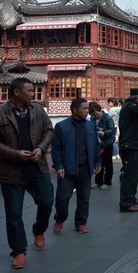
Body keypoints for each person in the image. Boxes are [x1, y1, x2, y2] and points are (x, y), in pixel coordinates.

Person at [0, 78, 54, 270]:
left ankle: (39, 229)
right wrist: (16, 154)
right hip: (11, 171)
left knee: (47, 202)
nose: (33, 94)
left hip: (37, 166)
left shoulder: (38, 109)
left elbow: (49, 130)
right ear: (16, 92)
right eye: (30, 91)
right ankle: (18, 251)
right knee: (14, 213)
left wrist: (40, 148)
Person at [51, 98, 101, 235]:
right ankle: (60, 219)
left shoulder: (90, 125)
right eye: (84, 109)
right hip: (67, 169)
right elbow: (56, 148)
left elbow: (96, 145)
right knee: (63, 197)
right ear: (74, 110)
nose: (87, 111)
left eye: (87, 108)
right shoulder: (62, 126)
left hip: (86, 168)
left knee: (84, 198)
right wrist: (59, 166)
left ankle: (81, 222)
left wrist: (97, 162)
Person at [89, 102, 116, 190]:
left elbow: (112, 130)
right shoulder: (92, 119)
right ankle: (98, 182)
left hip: (107, 143)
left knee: (107, 164)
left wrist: (103, 133)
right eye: (94, 115)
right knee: (98, 162)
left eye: (96, 114)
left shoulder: (107, 118)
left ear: (100, 110)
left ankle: (107, 182)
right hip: (97, 144)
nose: (96, 116)